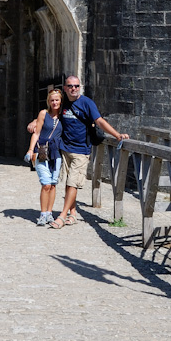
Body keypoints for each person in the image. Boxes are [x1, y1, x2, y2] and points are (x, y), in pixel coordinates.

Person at [50, 75, 128, 230]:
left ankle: (62, 216)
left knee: (73, 183)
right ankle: (73, 213)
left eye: (77, 86)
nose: (74, 89)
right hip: (65, 148)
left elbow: (99, 121)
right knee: (68, 183)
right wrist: (35, 122)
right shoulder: (64, 102)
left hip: (81, 150)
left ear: (80, 87)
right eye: (71, 86)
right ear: (65, 88)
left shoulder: (87, 103)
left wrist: (117, 135)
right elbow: (50, 113)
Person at [25, 88, 64, 226]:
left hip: (56, 153)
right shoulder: (43, 114)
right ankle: (42, 214)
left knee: (53, 185)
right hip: (42, 150)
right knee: (45, 184)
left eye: (57, 100)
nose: (54, 102)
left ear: (61, 101)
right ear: (48, 101)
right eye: (52, 100)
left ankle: (49, 213)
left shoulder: (64, 115)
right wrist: (30, 150)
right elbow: (36, 133)